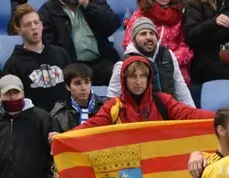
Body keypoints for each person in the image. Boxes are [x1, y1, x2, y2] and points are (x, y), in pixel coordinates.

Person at [50, 63, 108, 178]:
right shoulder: (58, 113)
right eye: (77, 83)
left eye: (87, 82)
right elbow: (54, 159)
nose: (83, 87)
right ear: (68, 86)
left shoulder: (106, 107)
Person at [74, 56, 214, 128]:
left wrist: (222, 118)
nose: (138, 81)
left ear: (148, 79)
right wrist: (63, 136)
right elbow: (91, 126)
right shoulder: (113, 107)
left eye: (142, 76)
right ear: (124, 80)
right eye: (133, 77)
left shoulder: (163, 101)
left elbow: (190, 114)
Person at [107, 17, 194, 107]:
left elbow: (181, 88)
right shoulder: (123, 64)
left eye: (152, 33)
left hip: (170, 113)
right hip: (143, 118)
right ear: (134, 39)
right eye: (143, 34)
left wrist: (193, 112)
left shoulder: (168, 54)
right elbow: (113, 97)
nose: (148, 37)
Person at [4, 4, 72, 112]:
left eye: (36, 22)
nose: (33, 27)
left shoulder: (61, 53)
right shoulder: (14, 64)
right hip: (35, 123)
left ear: (41, 24)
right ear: (19, 30)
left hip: (66, 119)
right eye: (27, 25)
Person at [38, 0, 121, 85]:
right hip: (69, 64)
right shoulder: (49, 9)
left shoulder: (94, 2)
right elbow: (47, 42)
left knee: (119, 74)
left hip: (99, 60)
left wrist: (88, 5)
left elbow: (113, 24)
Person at [122, 0, 193, 84]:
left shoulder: (180, 15)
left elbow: (186, 44)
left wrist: (170, 59)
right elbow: (129, 43)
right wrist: (148, 61)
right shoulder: (140, 14)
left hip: (173, 63)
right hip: (143, 63)